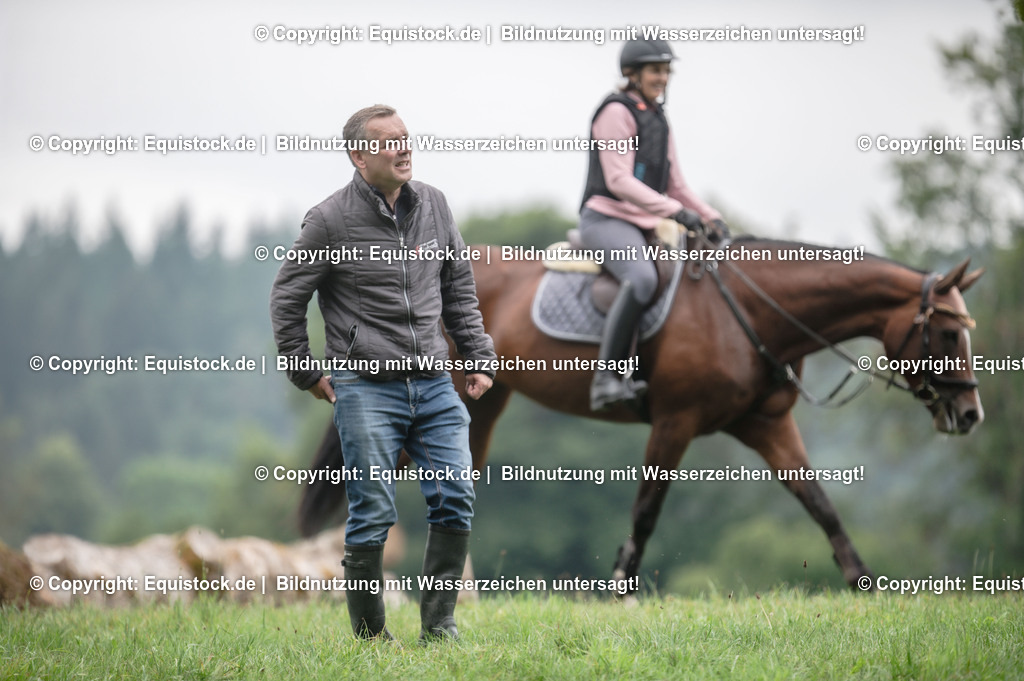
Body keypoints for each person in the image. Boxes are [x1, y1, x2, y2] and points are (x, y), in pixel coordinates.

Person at [269, 104, 496, 642]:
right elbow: (286, 298)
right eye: (389, 141)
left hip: (436, 384)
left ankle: (440, 627)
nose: (403, 147)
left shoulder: (435, 206)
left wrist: (478, 355)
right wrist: (305, 370)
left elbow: (458, 288)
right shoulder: (328, 220)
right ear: (359, 155)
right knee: (373, 511)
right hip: (365, 389)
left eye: (406, 138)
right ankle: (372, 640)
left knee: (456, 495)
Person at [579, 38, 730, 412]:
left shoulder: (658, 117)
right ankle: (606, 379)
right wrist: (676, 213)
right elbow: (619, 181)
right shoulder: (616, 112)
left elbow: (676, 184)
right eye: (655, 70)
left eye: (666, 71)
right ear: (633, 73)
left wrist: (710, 216)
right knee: (642, 278)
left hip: (645, 224)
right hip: (606, 219)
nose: (662, 78)